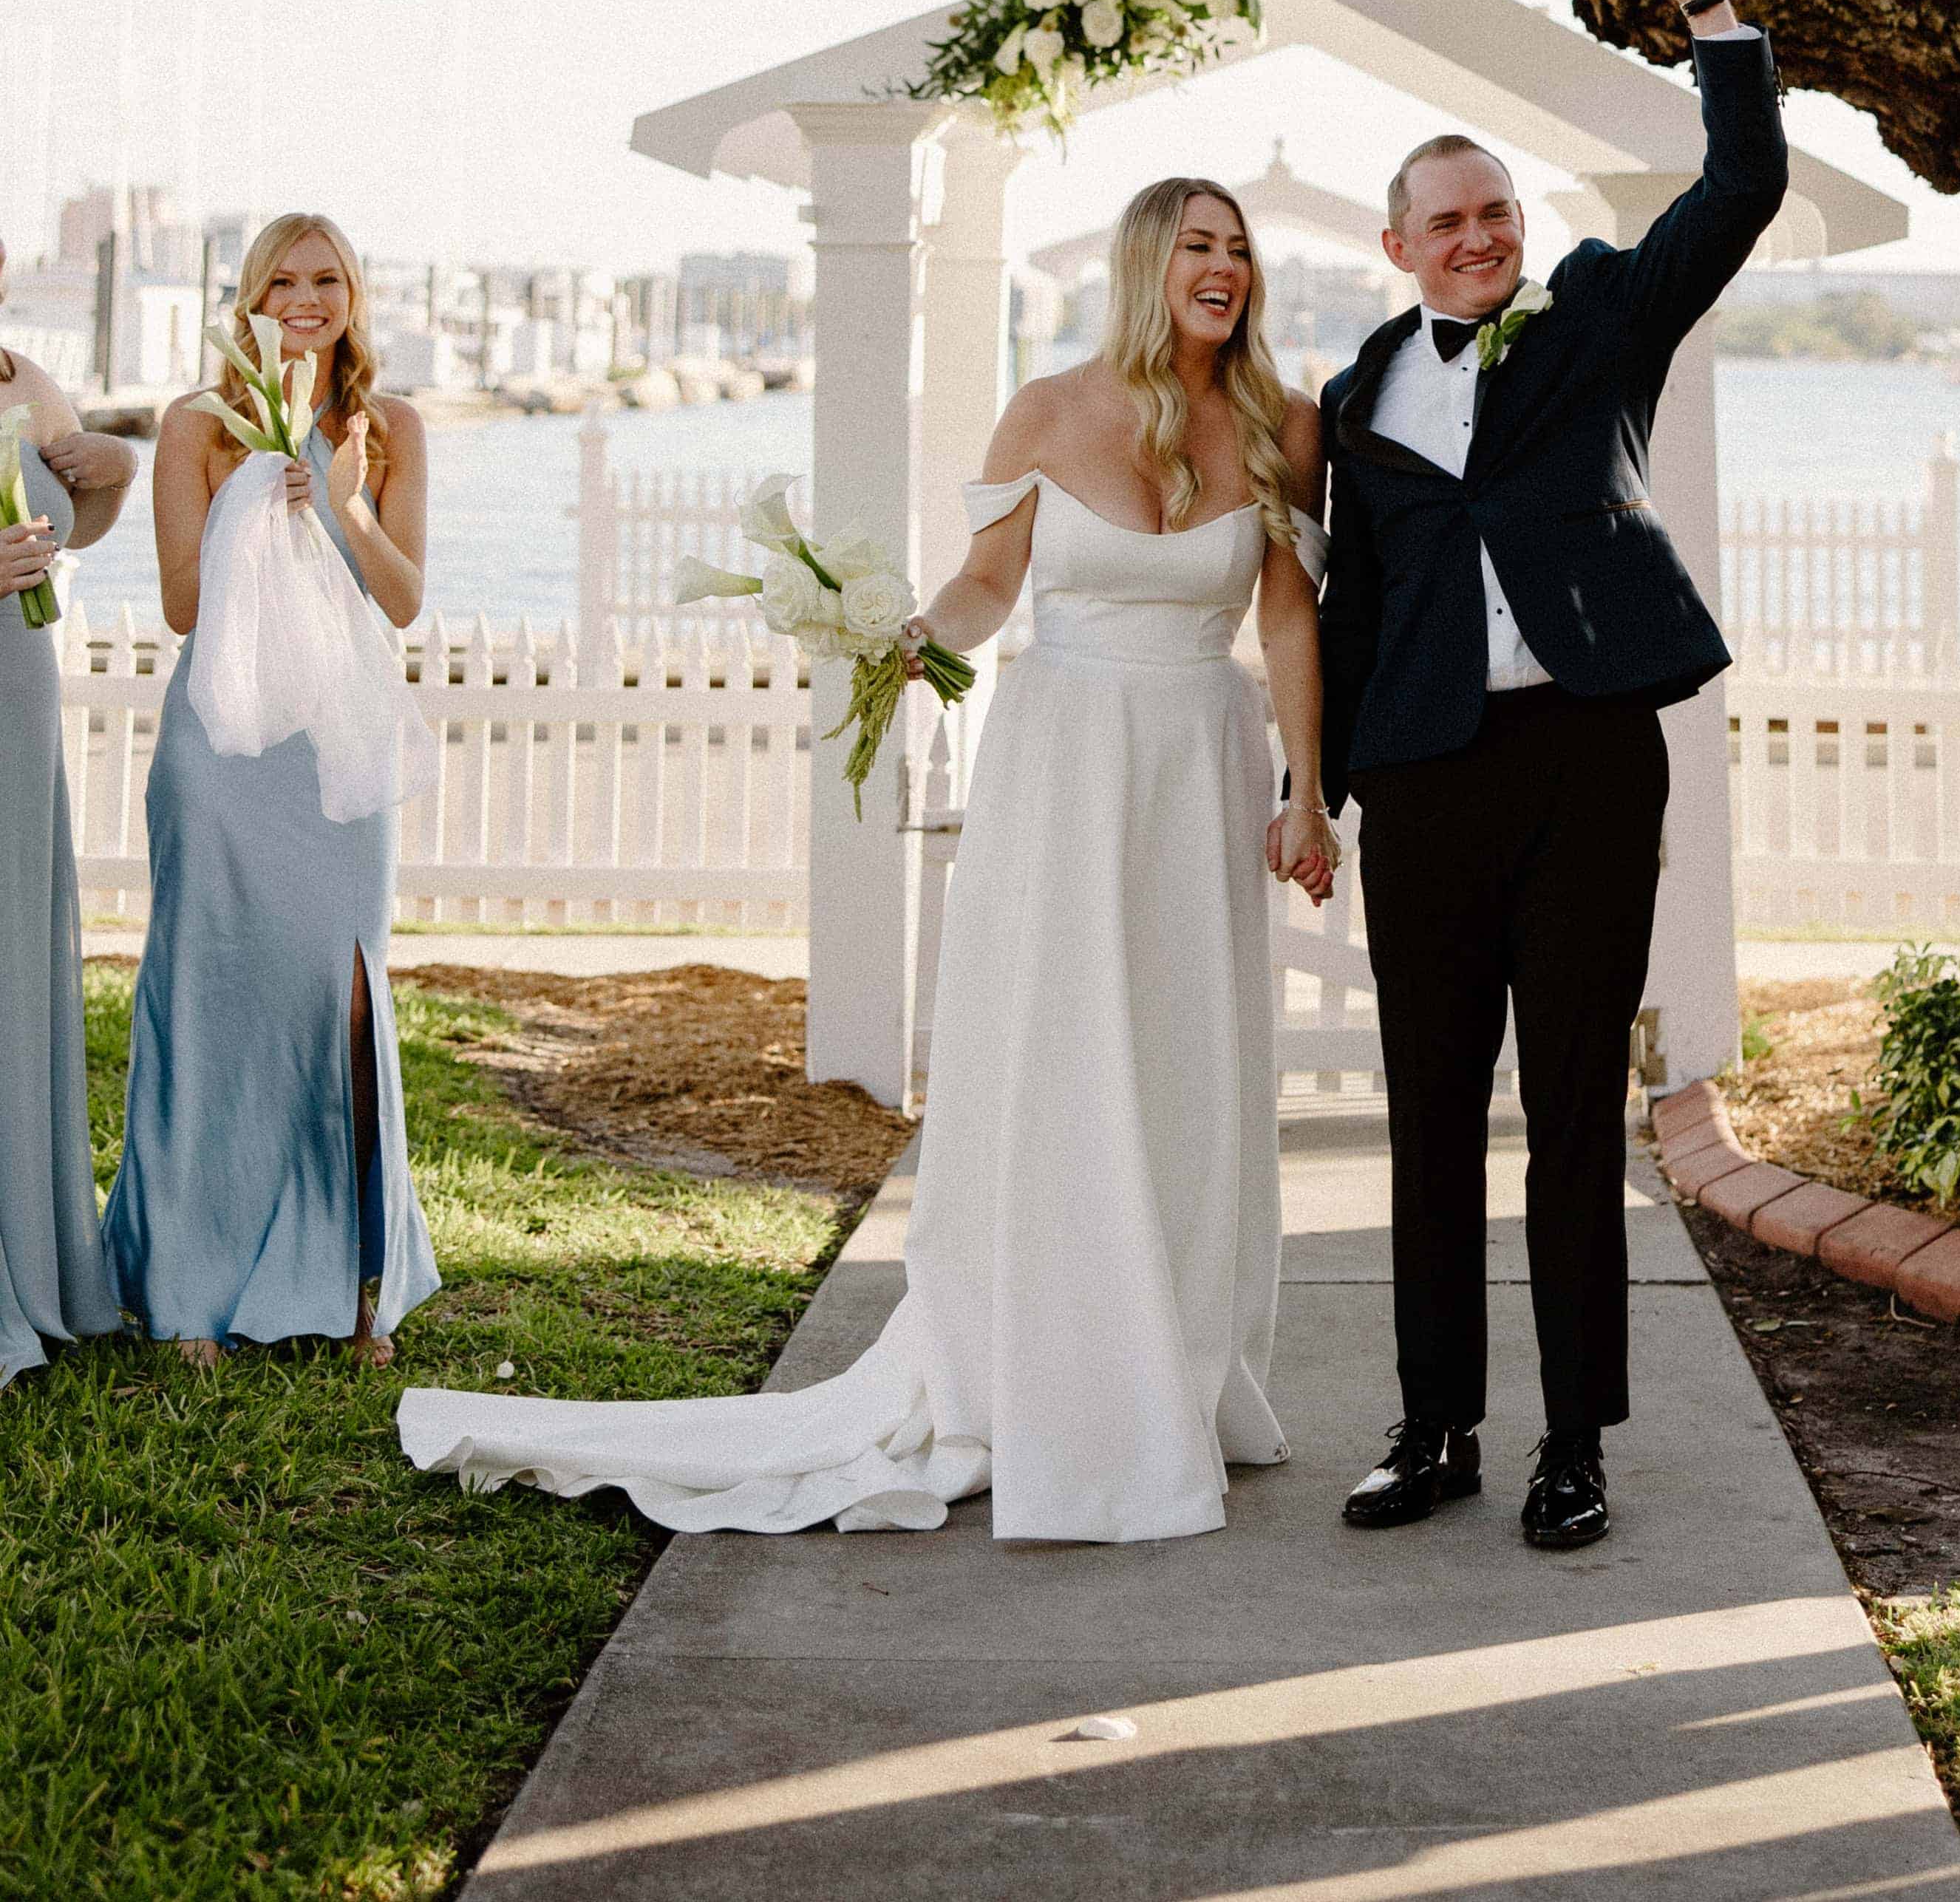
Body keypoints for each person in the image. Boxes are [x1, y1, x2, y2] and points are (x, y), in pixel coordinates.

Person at [401, 174, 1334, 1542]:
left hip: (1201, 762)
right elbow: (990, 585)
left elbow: (1292, 621)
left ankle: (1178, 1361)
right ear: (1147, 264)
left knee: (1186, 1058)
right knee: (1062, 1052)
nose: (1226, 269)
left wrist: (1306, 792)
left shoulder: (1280, 426)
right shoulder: (1047, 412)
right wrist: (914, 642)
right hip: (1064, 763)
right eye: (1199, 245)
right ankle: (1037, 1364)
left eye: (1240, 250)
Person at [1320, 0, 1786, 1553]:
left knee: (1577, 1110)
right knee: (1429, 1112)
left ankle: (1572, 1440)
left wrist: (1710, 16)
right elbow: (1346, 614)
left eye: (1494, 212)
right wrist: (1332, 789)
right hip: (1426, 780)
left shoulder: (1595, 316)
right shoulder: (1354, 396)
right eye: (1446, 221)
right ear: (1398, 247)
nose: (1477, 238)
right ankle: (1433, 1422)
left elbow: (1736, 193)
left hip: (1588, 760)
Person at [104, 213, 438, 1366]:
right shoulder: (195, 423)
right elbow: (187, 607)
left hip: (336, 754)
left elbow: (400, 602)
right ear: (249, 295)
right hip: (224, 751)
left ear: (355, 292)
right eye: (281, 279)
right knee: (208, 999)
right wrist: (261, 492)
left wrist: (342, 502)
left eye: (327, 277)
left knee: (345, 998)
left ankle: (357, 1282)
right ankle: (192, 1285)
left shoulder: (389, 426)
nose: (305, 297)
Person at [0, 265, 138, 1384]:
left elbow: (73, 520)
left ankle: (28, 1254)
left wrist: (116, 475)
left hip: (12, 684)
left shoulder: (20, 378)